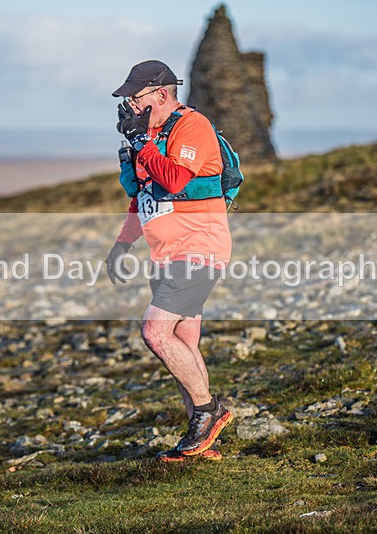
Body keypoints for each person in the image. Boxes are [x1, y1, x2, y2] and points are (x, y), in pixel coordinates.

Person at [105, 60, 234, 462]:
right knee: (184, 344)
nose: (129, 106)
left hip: (200, 247)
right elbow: (143, 195)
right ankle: (200, 440)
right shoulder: (151, 135)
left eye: (135, 98)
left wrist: (141, 143)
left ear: (161, 94)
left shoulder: (191, 126)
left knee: (155, 332)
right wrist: (122, 244)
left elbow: (176, 180)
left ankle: (209, 412)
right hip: (165, 254)